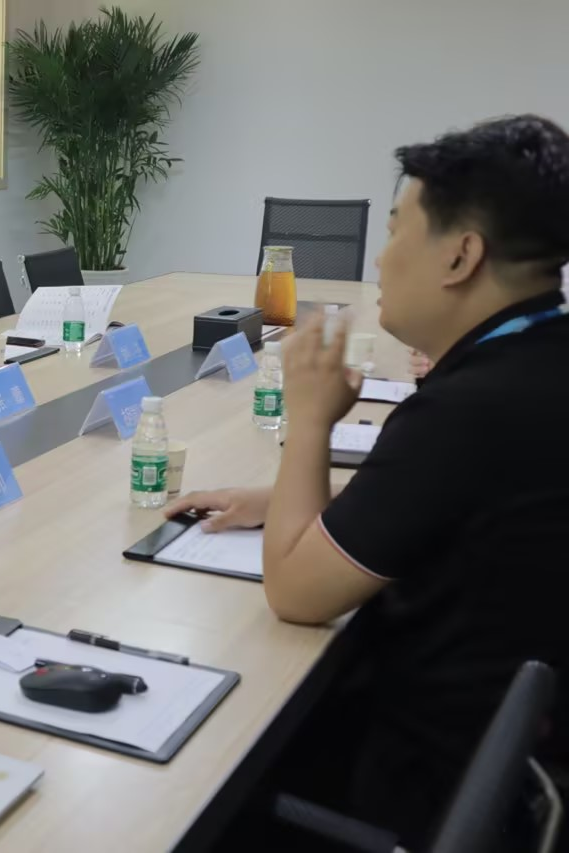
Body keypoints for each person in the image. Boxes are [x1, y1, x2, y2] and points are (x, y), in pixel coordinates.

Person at [170, 115, 569, 847]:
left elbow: (296, 593)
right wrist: (281, 501)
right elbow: (454, 508)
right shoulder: (540, 362)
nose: (381, 260)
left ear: (461, 255)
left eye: (395, 232)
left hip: (411, 776)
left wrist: (310, 421)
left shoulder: (468, 412)